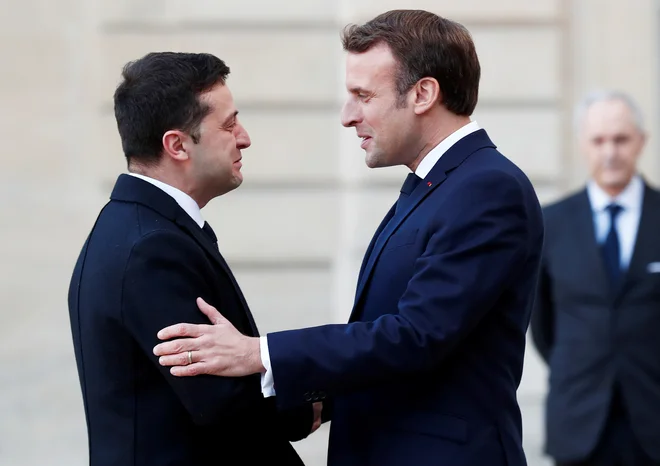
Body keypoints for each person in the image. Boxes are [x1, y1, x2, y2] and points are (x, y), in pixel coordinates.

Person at [153, 10, 544, 466]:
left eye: (363, 95)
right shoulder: (436, 184)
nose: (347, 116)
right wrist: (318, 400)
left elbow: (419, 335)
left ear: (423, 94)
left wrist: (259, 354)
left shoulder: (486, 187)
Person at [67, 51, 319, 466]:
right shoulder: (150, 247)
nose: (244, 137)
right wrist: (315, 401)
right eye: (228, 123)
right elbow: (219, 401)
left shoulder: (138, 228)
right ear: (177, 145)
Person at [530, 90, 660, 466]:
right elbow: (542, 324)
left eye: (620, 139)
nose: (610, 152)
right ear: (582, 146)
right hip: (579, 421)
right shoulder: (550, 223)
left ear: (641, 141)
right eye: (598, 140)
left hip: (652, 423)